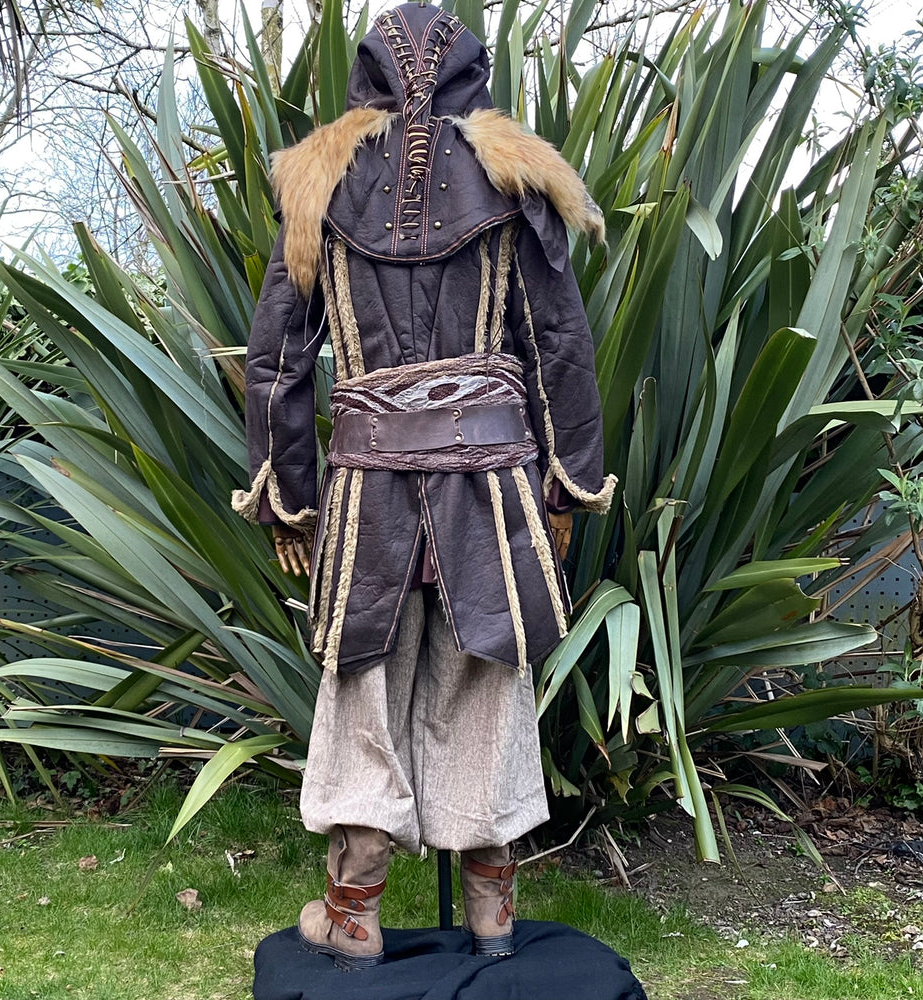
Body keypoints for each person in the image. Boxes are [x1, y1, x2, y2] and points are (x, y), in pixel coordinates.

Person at [232, 1, 615, 971]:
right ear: (470, 77)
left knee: (361, 688)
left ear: (364, 73)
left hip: (368, 493)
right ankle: (491, 906)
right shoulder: (513, 174)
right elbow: (559, 342)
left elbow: (279, 355)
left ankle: (354, 909)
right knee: (485, 677)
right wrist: (565, 482)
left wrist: (287, 489)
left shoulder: (321, 182)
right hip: (489, 484)